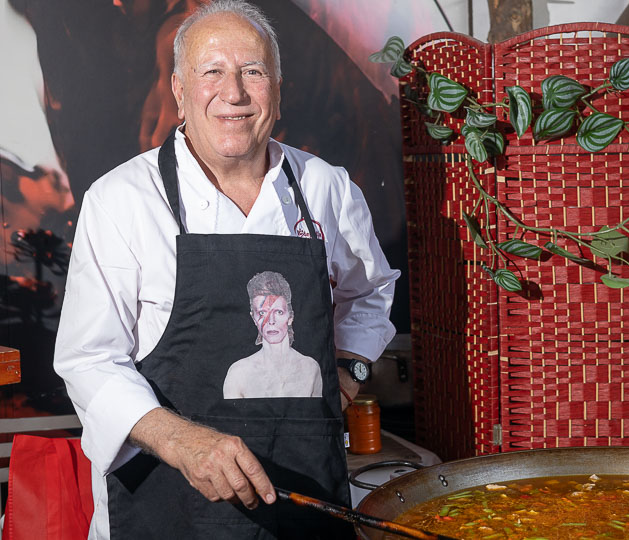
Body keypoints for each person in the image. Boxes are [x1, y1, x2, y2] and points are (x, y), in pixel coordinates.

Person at [53, 0, 399, 538]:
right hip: (166, 504)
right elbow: (88, 361)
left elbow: (370, 292)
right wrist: (182, 442)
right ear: (179, 91)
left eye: (252, 72)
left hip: (303, 496)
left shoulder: (325, 188)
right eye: (211, 71)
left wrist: (347, 374)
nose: (233, 93)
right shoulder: (121, 200)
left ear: (277, 90)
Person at [223, 271, 323, 399]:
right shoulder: (238, 373)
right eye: (262, 313)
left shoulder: (310, 368)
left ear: (290, 316)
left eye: (278, 312)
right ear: (254, 318)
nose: (271, 321)